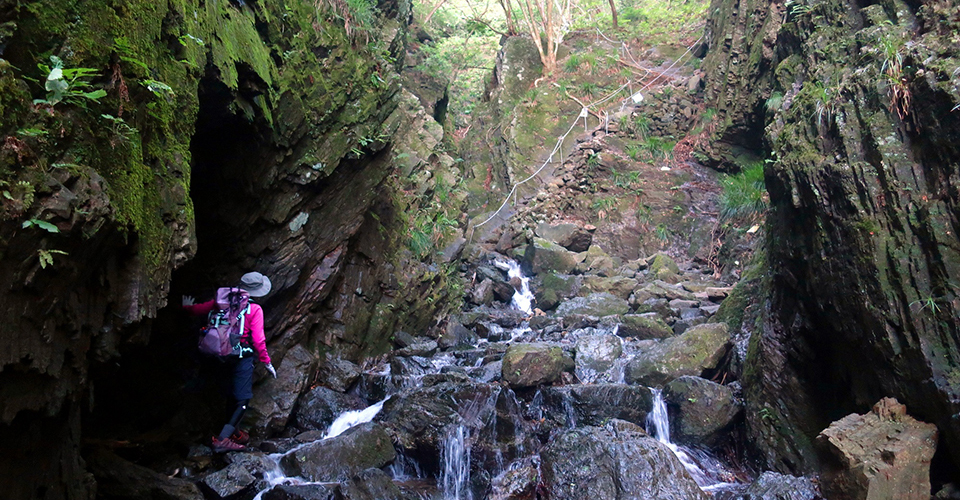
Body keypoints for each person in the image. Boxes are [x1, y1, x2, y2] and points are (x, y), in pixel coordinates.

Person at [182, 271, 277, 452]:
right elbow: (258, 340)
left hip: (219, 356)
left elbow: (199, 309)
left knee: (229, 394)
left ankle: (235, 432)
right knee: (242, 399)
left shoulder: (222, 301)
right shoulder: (254, 310)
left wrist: (187, 307)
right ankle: (222, 439)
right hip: (241, 357)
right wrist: (266, 361)